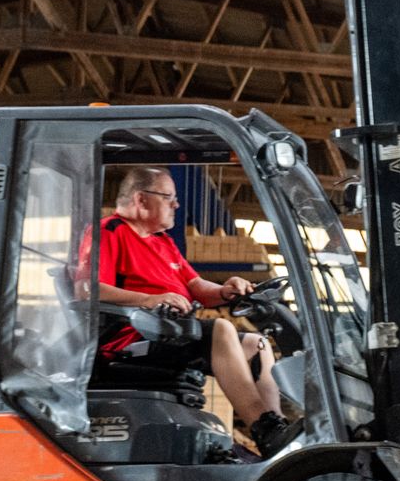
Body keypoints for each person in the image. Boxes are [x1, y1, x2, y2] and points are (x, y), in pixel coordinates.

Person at [96, 166, 298, 456]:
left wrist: (225, 290)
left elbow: (195, 285)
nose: (176, 204)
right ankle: (262, 428)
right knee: (221, 328)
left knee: (257, 343)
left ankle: (276, 429)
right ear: (141, 200)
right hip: (130, 341)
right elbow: (89, 289)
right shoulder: (109, 232)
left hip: (170, 334)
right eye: (169, 197)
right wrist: (150, 300)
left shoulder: (162, 242)